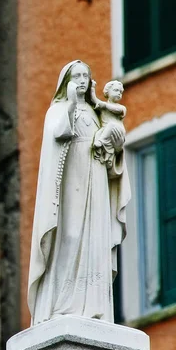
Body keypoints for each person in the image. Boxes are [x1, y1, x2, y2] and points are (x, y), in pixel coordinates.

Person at [27, 60, 131, 325]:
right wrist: (72, 103)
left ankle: (94, 306)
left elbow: (112, 158)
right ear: (67, 82)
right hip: (71, 178)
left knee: (95, 236)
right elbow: (60, 133)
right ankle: (61, 304)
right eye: (77, 76)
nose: (83, 80)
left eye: (86, 75)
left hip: (95, 177)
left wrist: (115, 147)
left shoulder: (97, 112)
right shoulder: (59, 109)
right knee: (71, 234)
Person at [91, 80, 127, 169]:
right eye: (116, 90)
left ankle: (101, 142)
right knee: (98, 134)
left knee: (110, 125)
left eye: (120, 92)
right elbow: (94, 100)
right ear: (107, 92)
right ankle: (107, 157)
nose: (119, 93)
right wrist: (92, 88)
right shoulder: (104, 105)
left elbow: (116, 110)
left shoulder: (121, 107)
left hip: (118, 131)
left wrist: (105, 106)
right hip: (105, 131)